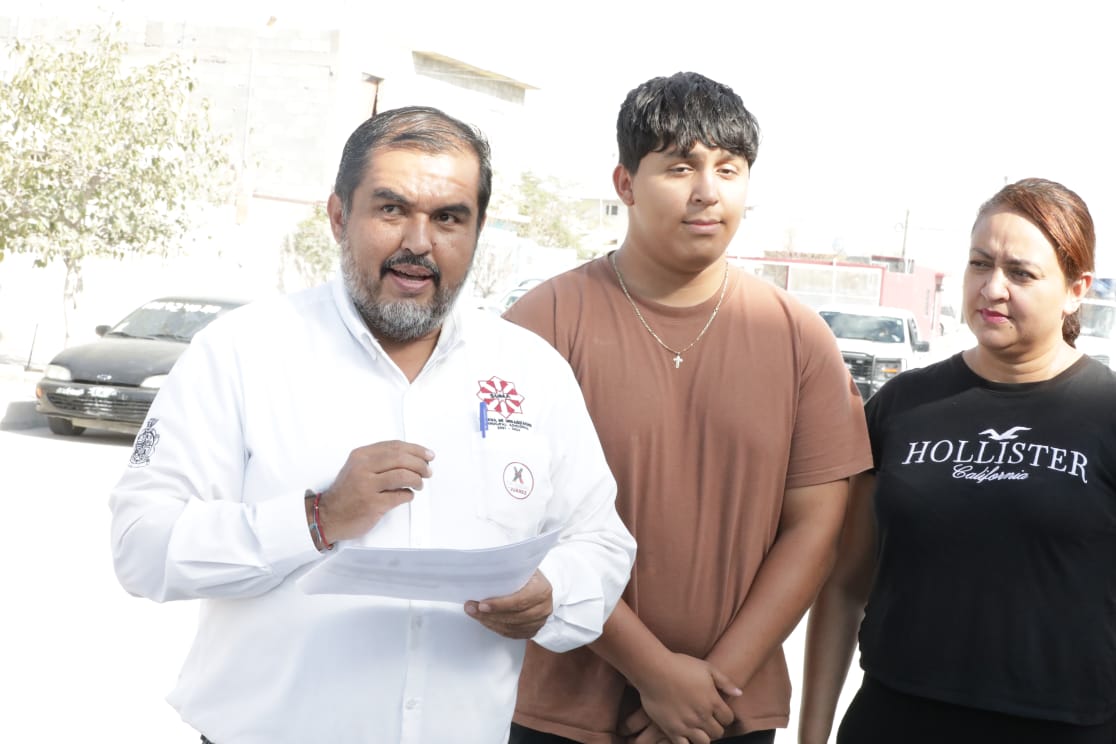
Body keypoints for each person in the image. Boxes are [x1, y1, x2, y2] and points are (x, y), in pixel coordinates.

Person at [108, 106, 636, 744]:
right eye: (391, 209)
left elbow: (601, 542)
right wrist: (318, 518)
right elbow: (142, 547)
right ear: (338, 217)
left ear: (478, 229)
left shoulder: (531, 370)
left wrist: (554, 592)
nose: (419, 242)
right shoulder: (242, 352)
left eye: (448, 217)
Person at [504, 72, 872, 744]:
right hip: (559, 711)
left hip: (729, 710)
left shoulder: (798, 337)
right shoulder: (542, 323)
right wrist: (655, 674)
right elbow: (519, 517)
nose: (708, 191)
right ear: (625, 184)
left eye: (728, 169)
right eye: (679, 167)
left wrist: (710, 687)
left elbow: (816, 529)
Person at [799, 178, 1116, 744]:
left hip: (1064, 727)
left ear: (1076, 290)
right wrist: (812, 735)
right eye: (979, 264)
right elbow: (844, 586)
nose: (992, 288)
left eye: (1021, 273)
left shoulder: (1106, 413)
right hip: (895, 720)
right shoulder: (902, 404)